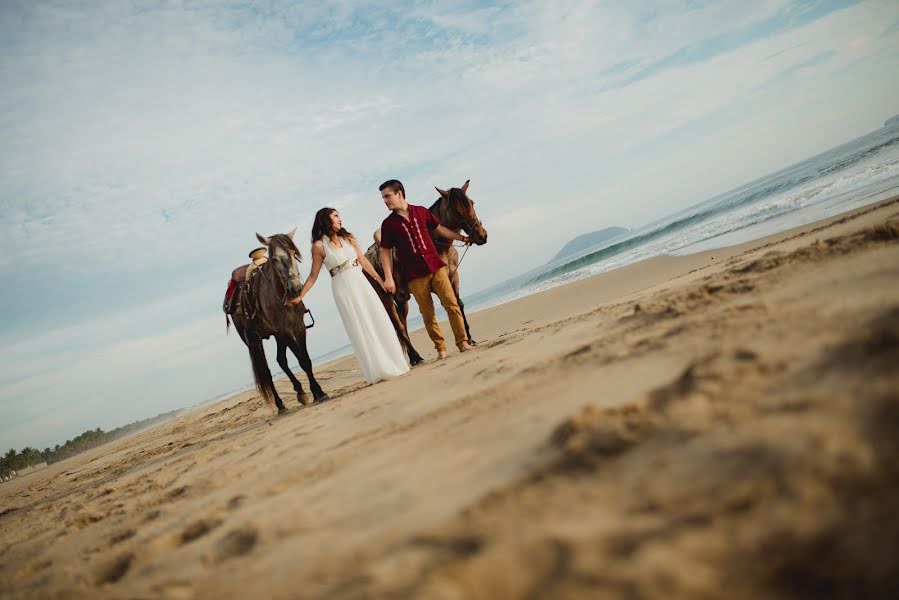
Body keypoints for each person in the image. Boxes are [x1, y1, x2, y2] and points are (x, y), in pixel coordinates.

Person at [291, 208, 409, 384]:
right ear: (326, 220)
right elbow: (313, 275)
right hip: (343, 288)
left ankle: (395, 362)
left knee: (378, 319)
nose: (340, 219)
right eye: (336, 216)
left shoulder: (347, 238)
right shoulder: (319, 246)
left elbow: (362, 260)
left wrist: (380, 280)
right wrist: (301, 296)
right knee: (360, 326)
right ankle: (378, 369)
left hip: (361, 282)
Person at [378, 179, 471, 360]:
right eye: (383, 198)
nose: (385, 201)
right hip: (414, 276)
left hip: (437, 267)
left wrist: (462, 238)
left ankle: (463, 343)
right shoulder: (388, 224)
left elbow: (440, 229)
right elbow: (385, 252)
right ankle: (441, 349)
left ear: (399, 194)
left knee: (452, 305)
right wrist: (388, 278)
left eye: (387, 196)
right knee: (428, 315)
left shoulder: (421, 211)